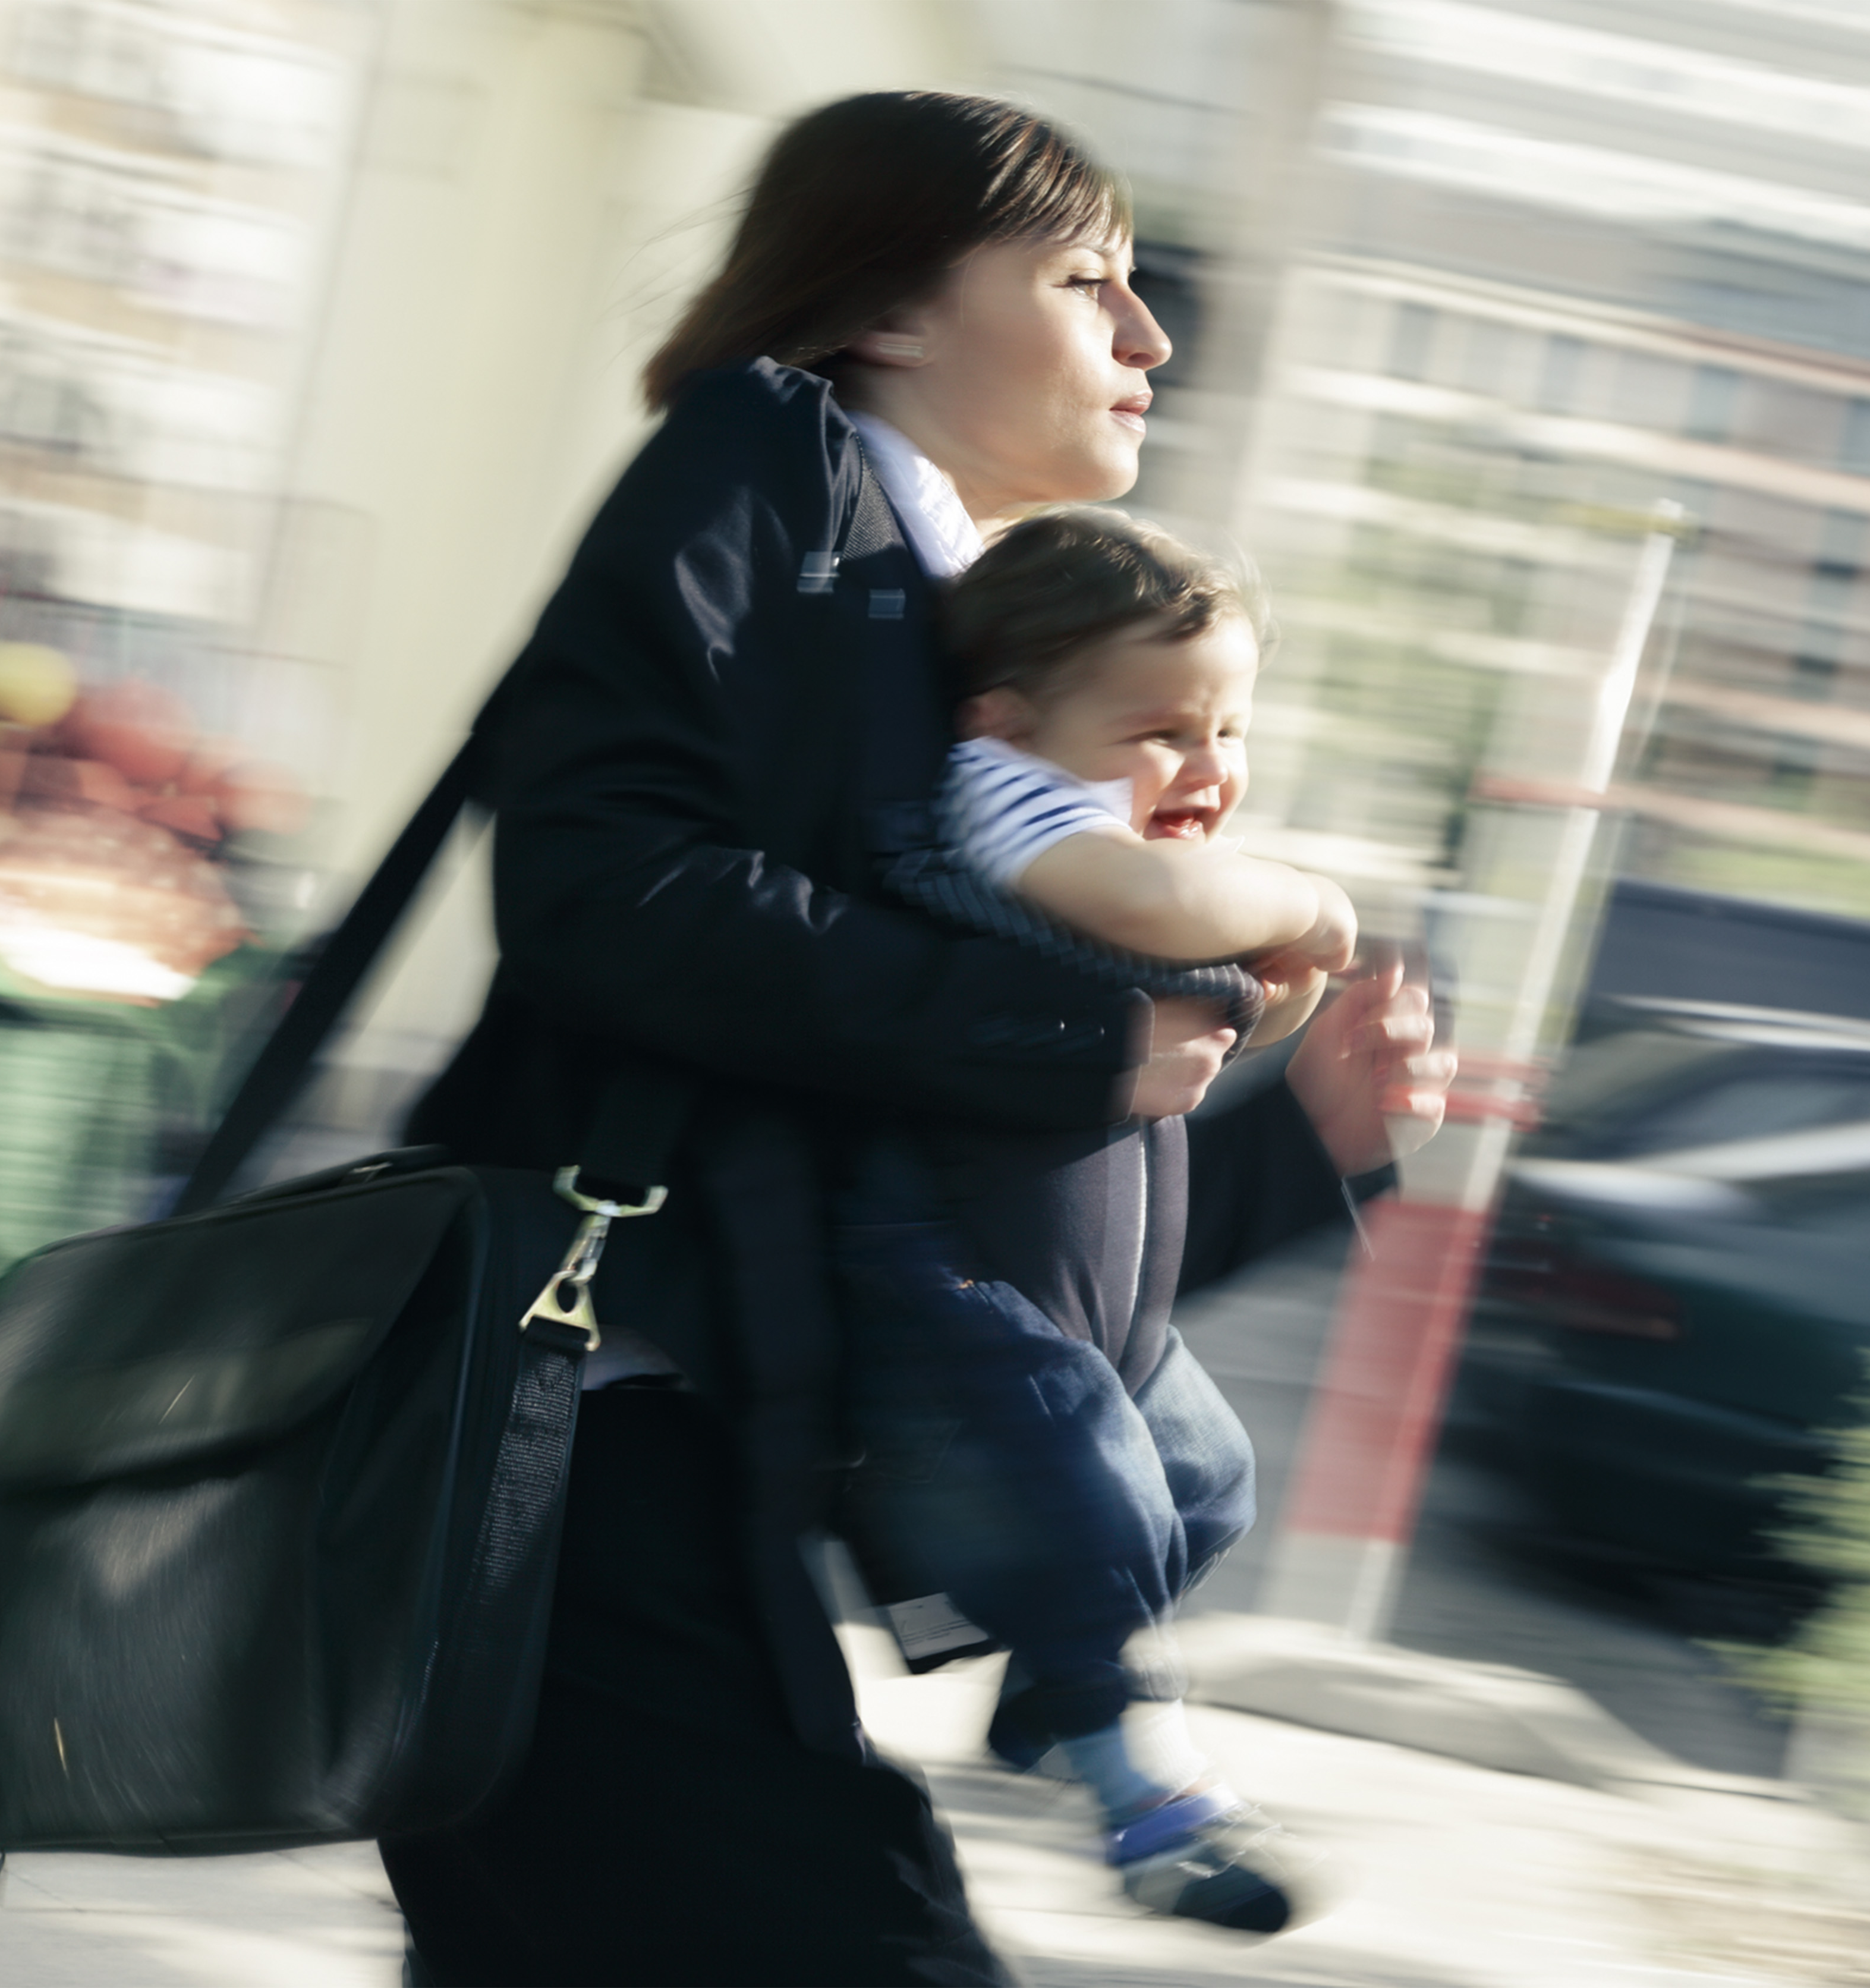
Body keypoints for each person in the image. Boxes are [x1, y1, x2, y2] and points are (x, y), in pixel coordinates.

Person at [386, 91, 1451, 1987]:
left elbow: (986, 1257)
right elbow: (601, 894)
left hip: (689, 1477)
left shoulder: (958, 663)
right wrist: (1077, 1042)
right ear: (885, 310)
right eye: (1086, 281)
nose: (1150, 338)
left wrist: (1305, 1140)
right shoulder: (775, 462)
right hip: (581, 1443)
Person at [834, 507, 1358, 1935]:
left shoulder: (1113, 833)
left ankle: (1052, 1698)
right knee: (1088, 1478)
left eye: (1228, 729)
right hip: (954, 1273)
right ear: (1005, 719)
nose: (1206, 765)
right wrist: (1304, 899)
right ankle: (1149, 1792)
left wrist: (1280, 994)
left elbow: (1211, 1013)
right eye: (1163, 730)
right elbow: (1136, 893)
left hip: (1086, 1296)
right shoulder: (1007, 802)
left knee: (1204, 1483)